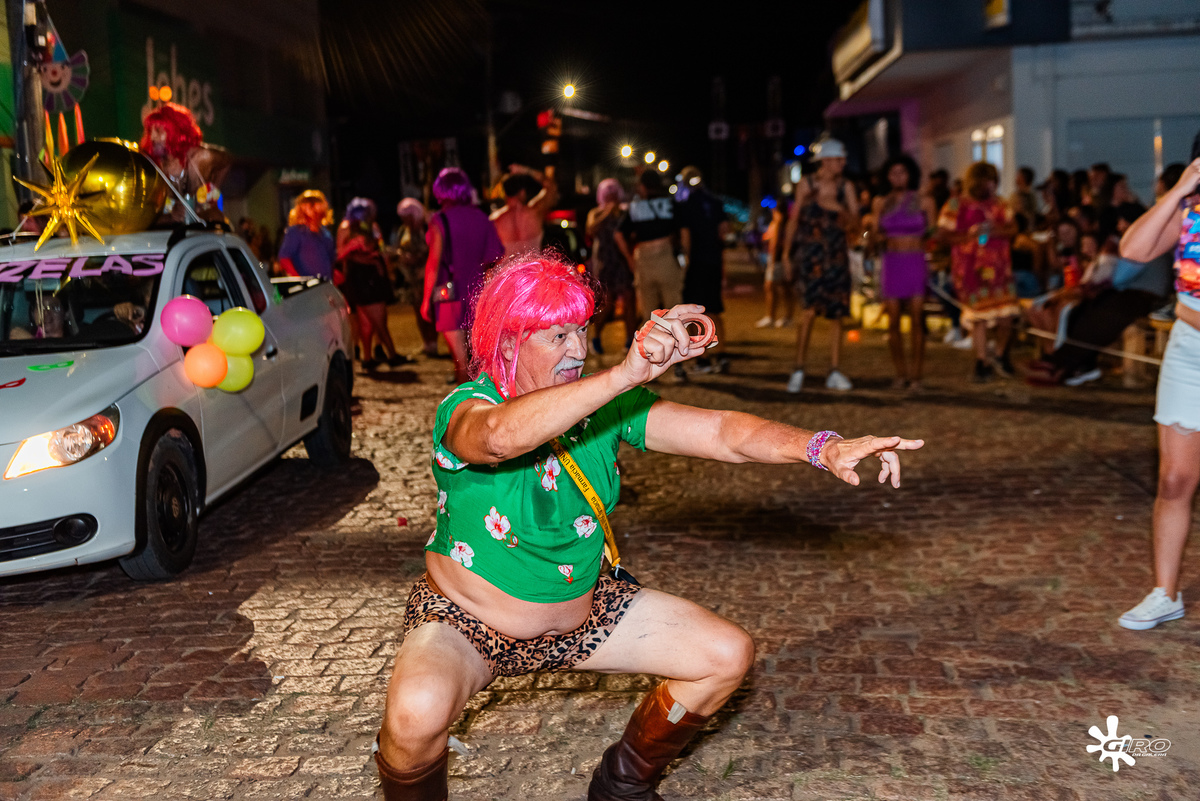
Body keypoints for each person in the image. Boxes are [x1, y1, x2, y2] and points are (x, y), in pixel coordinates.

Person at [373, 252, 924, 800]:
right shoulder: (466, 407)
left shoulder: (607, 405)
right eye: (557, 336)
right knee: (415, 714)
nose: (578, 350)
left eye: (581, 331)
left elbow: (723, 433)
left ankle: (622, 786)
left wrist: (821, 447)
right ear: (509, 342)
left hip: (581, 615)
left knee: (724, 655)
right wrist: (622, 375)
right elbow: (497, 438)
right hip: (468, 622)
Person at [1115, 154, 1200, 630]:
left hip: (1189, 336)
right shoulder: (1190, 211)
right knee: (1174, 481)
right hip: (1189, 355)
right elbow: (1133, 249)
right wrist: (1179, 189)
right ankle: (1165, 593)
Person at [782, 137, 859, 393]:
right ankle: (798, 368)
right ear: (825, 161)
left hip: (836, 256)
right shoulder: (807, 184)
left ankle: (834, 370)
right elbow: (794, 220)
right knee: (808, 311)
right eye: (838, 159)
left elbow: (856, 225)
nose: (842, 163)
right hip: (811, 256)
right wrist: (785, 254)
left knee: (837, 313)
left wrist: (839, 209)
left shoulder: (846, 187)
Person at [422, 167, 506, 384]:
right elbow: (494, 257)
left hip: (449, 294)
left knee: (460, 362)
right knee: (476, 358)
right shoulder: (482, 218)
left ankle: (466, 400)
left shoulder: (440, 220)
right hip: (478, 293)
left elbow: (433, 263)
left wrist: (426, 300)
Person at [939, 161, 1020, 382]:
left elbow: (1013, 228)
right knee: (979, 317)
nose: (991, 186)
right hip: (970, 270)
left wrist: (996, 230)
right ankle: (981, 360)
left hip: (1000, 270)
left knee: (1007, 316)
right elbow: (943, 234)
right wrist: (969, 236)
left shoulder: (1001, 204)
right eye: (986, 182)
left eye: (993, 182)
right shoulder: (956, 205)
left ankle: (1000, 354)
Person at [337, 197, 405, 370]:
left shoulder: (369, 227)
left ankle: (368, 357)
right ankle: (392, 354)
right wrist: (373, 261)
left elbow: (377, 248)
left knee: (367, 322)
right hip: (364, 280)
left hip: (366, 279)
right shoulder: (349, 229)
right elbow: (345, 254)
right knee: (378, 320)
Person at [676, 166, 730, 374]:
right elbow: (724, 231)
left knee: (694, 311)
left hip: (697, 262)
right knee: (714, 308)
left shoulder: (686, 204)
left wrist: (686, 261)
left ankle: (702, 359)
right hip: (713, 261)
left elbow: (686, 236)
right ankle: (722, 355)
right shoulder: (715, 202)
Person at [614, 169, 682, 324]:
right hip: (666, 257)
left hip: (644, 258)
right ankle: (676, 339)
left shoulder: (636, 207)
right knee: (674, 308)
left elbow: (618, 234)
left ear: (643, 186)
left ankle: (653, 339)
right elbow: (683, 231)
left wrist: (629, 259)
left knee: (649, 312)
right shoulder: (670, 204)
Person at [586, 178, 637, 354]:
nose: (611, 197)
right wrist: (607, 211)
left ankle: (630, 340)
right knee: (607, 303)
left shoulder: (623, 213)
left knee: (629, 301)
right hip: (605, 262)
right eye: (608, 194)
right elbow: (590, 230)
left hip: (621, 261)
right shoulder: (595, 213)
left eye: (614, 193)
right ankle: (595, 337)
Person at [394, 198, 440, 358]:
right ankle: (426, 343)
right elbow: (400, 247)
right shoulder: (404, 230)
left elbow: (434, 250)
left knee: (430, 310)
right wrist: (401, 256)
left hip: (426, 275)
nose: (404, 220)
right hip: (412, 278)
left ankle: (433, 342)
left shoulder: (427, 227)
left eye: (407, 216)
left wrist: (417, 258)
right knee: (417, 309)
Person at [489, 164, 559, 257]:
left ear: (505, 193)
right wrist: (526, 170)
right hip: (534, 266)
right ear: (523, 192)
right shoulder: (535, 212)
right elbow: (551, 187)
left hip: (508, 266)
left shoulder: (496, 220)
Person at [279, 190, 336, 281]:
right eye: (310, 204)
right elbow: (284, 259)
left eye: (317, 203)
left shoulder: (326, 234)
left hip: (325, 284)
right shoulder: (295, 232)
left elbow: (331, 261)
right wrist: (299, 280)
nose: (314, 209)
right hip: (307, 286)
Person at [757, 204, 795, 328]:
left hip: (777, 260)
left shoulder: (779, 224)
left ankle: (771, 317)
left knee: (771, 287)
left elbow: (775, 244)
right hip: (782, 259)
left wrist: (772, 262)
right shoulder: (787, 225)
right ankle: (787, 317)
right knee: (784, 288)